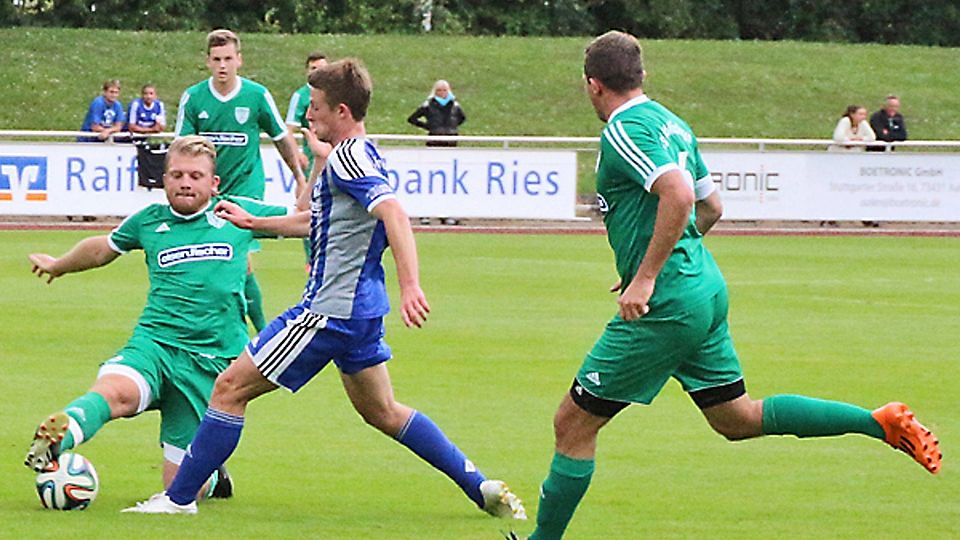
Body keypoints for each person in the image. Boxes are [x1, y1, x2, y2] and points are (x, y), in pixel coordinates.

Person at [510, 31, 940, 540]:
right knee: (736, 418)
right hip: (703, 288)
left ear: (593, 85)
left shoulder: (623, 129)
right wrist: (661, 261)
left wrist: (647, 276)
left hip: (668, 303)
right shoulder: (672, 122)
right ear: (641, 76)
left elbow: (677, 196)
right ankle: (880, 421)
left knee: (572, 425)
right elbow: (712, 205)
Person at [123, 58, 527, 521]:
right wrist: (255, 222)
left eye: (315, 107)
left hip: (327, 312)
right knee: (385, 412)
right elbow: (318, 221)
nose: (309, 115)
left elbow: (393, 213)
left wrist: (412, 284)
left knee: (229, 388)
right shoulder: (360, 153)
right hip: (361, 312)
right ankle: (481, 487)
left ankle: (177, 501)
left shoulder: (349, 158)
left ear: (340, 111)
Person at [24, 136, 289, 500]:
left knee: (179, 487)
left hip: (208, 365)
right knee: (115, 392)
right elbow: (103, 249)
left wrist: (321, 167)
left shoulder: (240, 216)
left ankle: (212, 478)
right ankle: (58, 438)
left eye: (195, 176)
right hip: (155, 345)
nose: (185, 182)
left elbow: (302, 217)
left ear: (214, 184)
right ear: (163, 180)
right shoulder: (149, 221)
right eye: (176, 174)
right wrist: (59, 265)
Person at [175, 28, 307, 332]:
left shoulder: (256, 95)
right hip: (208, 193)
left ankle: (264, 333)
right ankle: (229, 326)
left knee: (240, 259)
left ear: (239, 60)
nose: (223, 65)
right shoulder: (194, 98)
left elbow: (281, 137)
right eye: (217, 59)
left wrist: (299, 176)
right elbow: (181, 148)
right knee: (216, 262)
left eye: (228, 58)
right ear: (207, 62)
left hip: (246, 190)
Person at [286, 50, 329, 270]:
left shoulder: (334, 94)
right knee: (306, 208)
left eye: (322, 67)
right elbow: (289, 128)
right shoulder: (301, 96)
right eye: (314, 68)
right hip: (312, 163)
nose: (318, 72)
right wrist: (297, 154)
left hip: (331, 158)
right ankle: (311, 259)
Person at [407, 79, 466, 147]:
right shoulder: (428, 105)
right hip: (434, 138)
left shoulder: (455, 105)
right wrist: (427, 126)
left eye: (444, 90)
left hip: (451, 138)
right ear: (435, 91)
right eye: (439, 90)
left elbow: (462, 118)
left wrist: (451, 126)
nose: (442, 92)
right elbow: (412, 119)